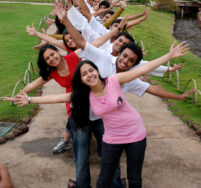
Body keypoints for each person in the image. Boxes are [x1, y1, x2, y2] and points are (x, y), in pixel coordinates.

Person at [5, 42, 195, 188]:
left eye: (91, 70)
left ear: (97, 71)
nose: (89, 75)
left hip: (136, 133)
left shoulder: (114, 80)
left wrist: (168, 56)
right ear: (80, 80)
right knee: (104, 179)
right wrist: (29, 100)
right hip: (112, 137)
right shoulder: (84, 95)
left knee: (135, 177)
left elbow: (143, 69)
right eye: (84, 74)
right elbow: (55, 97)